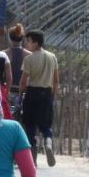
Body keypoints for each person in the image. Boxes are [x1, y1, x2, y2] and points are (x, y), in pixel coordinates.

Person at [19, 30, 59, 167]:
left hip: (32, 94)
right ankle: (48, 143)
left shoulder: (29, 59)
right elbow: (56, 80)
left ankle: (33, 159)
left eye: (28, 41)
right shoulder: (52, 57)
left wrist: (21, 94)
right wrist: (52, 95)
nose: (26, 43)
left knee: (30, 126)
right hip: (47, 94)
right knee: (46, 125)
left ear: (36, 43)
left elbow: (24, 81)